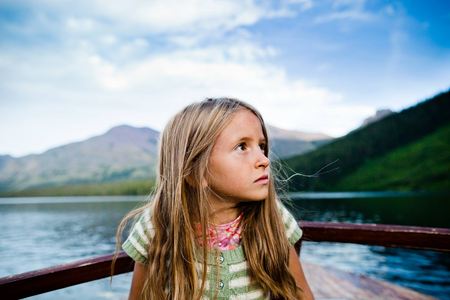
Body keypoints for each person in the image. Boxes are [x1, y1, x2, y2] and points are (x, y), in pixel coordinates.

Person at [114, 98, 314, 299]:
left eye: (261, 146)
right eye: (242, 147)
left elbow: (301, 295)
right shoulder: (155, 226)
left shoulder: (274, 219)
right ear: (194, 172)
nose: (264, 160)